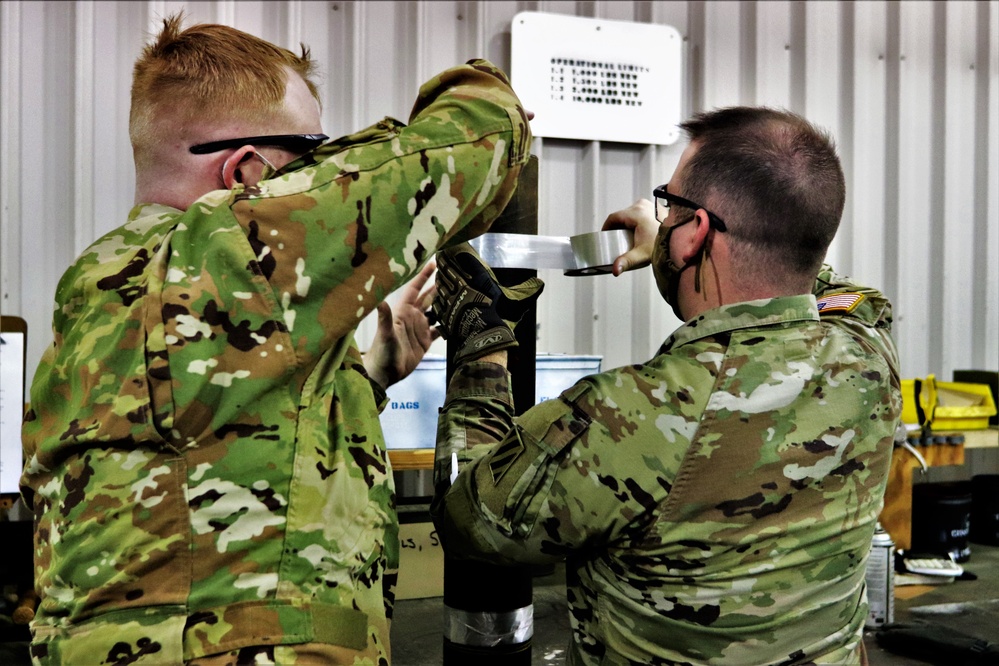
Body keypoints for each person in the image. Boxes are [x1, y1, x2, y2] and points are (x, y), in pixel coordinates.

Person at [20, 14, 531, 666]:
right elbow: (479, 139)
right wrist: (486, 85)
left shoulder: (92, 288)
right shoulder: (235, 243)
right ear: (247, 174)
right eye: (311, 155)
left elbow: (204, 451)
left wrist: (364, 377)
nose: (321, 177)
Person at [431, 106, 901, 665]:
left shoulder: (626, 416)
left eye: (669, 204)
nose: (664, 216)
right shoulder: (869, 352)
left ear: (696, 235)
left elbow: (472, 519)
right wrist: (674, 237)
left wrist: (480, 345)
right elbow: (807, 274)